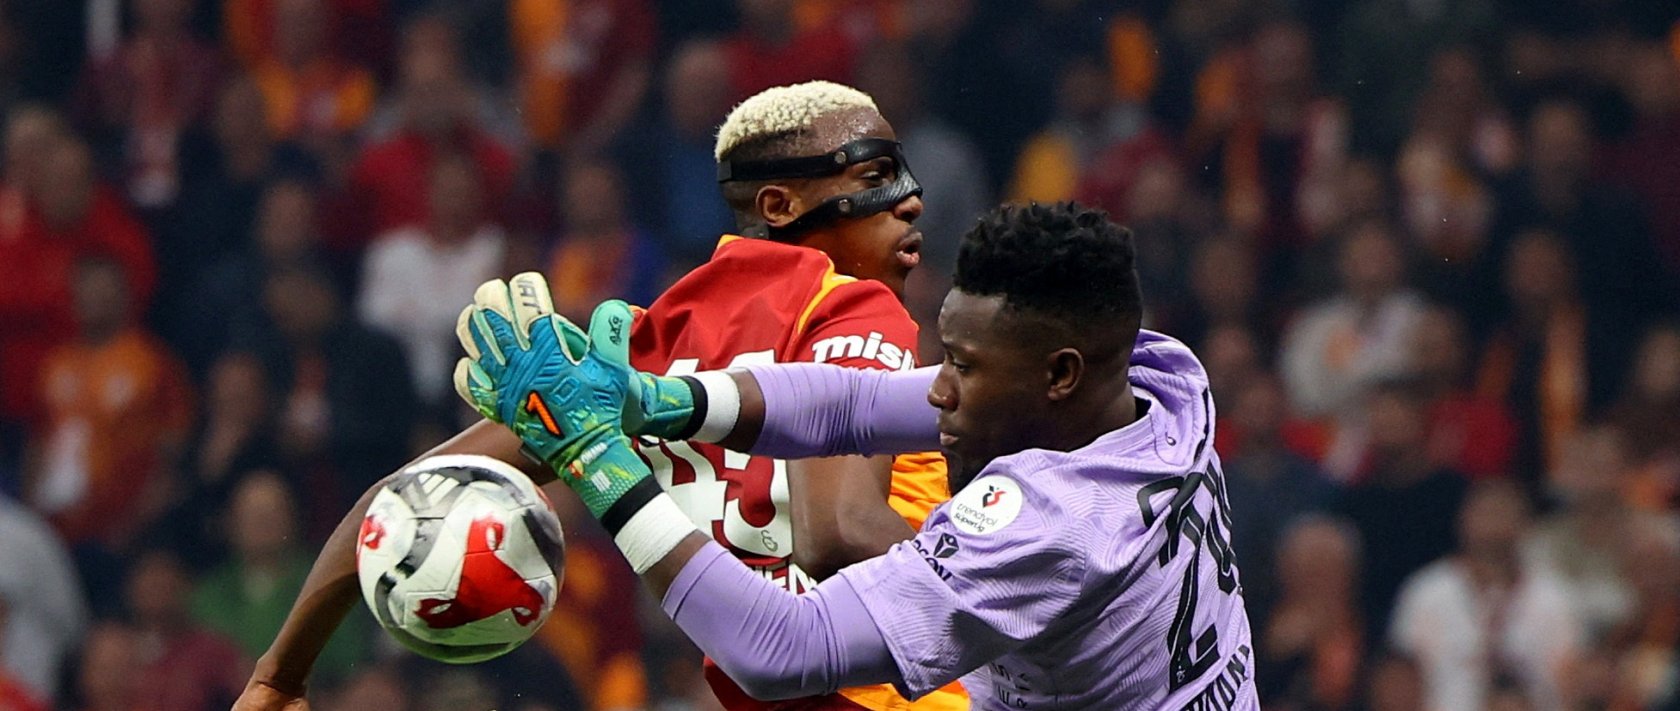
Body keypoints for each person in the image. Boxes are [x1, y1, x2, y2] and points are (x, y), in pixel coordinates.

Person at [235, 80, 962, 711]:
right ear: (779, 202)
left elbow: (399, 498)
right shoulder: (850, 304)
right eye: (876, 174)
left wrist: (278, 672)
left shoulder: (638, 357)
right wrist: (1017, 591)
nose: (910, 201)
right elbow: (840, 528)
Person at [446, 201, 1256, 707]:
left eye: (965, 369)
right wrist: (663, 402)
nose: (938, 388)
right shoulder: (1161, 377)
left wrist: (599, 460)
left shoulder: (1047, 527)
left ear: (1059, 374)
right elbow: (858, 403)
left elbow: (780, 649)